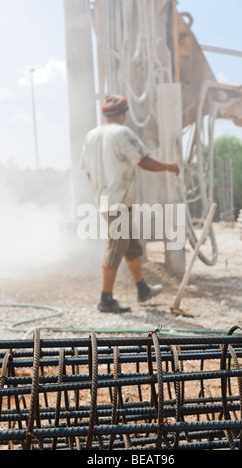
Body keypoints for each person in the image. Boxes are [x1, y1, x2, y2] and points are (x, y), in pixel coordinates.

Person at [80, 94, 180, 313]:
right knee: (116, 248)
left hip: (106, 200)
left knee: (131, 246)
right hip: (119, 202)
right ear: (124, 114)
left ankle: (142, 289)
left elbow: (87, 170)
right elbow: (143, 161)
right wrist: (169, 166)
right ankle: (105, 300)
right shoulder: (122, 132)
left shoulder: (91, 135)